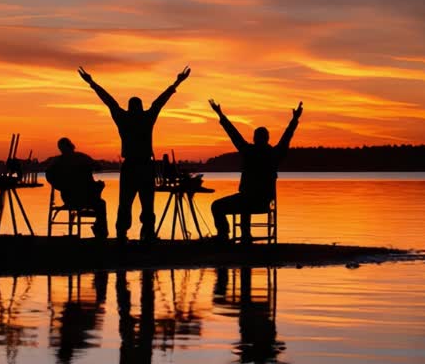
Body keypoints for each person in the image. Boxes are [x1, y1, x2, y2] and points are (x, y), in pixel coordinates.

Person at [78, 65, 192, 241]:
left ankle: (127, 233)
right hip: (142, 165)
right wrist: (177, 81)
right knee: (144, 202)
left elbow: (109, 101)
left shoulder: (123, 118)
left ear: (130, 107)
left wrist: (92, 83)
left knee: (129, 202)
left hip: (134, 166)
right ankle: (142, 233)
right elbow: (160, 101)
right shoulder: (146, 117)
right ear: (140, 107)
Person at [207, 99, 302, 241]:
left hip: (251, 200)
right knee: (243, 200)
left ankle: (224, 234)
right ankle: (242, 235)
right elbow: (286, 137)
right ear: (267, 139)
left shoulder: (249, 151)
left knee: (217, 206)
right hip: (263, 201)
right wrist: (294, 119)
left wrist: (220, 114)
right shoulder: (274, 154)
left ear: (255, 138)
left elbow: (233, 134)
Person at [45, 136, 108, 238]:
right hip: (83, 198)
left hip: (69, 198)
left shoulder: (58, 161)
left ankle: (99, 230)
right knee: (101, 204)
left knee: (99, 201)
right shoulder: (80, 158)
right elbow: (98, 167)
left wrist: (60, 186)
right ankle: (101, 232)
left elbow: (49, 175)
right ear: (71, 146)